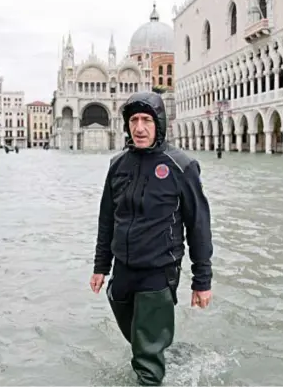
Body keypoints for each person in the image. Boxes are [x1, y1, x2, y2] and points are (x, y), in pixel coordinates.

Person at [89, 91, 214, 386]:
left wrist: (202, 280)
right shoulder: (118, 165)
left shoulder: (181, 166)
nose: (140, 128)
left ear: (159, 122)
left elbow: (198, 224)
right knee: (139, 339)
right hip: (122, 270)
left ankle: (153, 367)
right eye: (134, 120)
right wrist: (100, 266)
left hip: (159, 271)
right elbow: (107, 218)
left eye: (147, 119)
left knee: (146, 363)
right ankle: (164, 352)